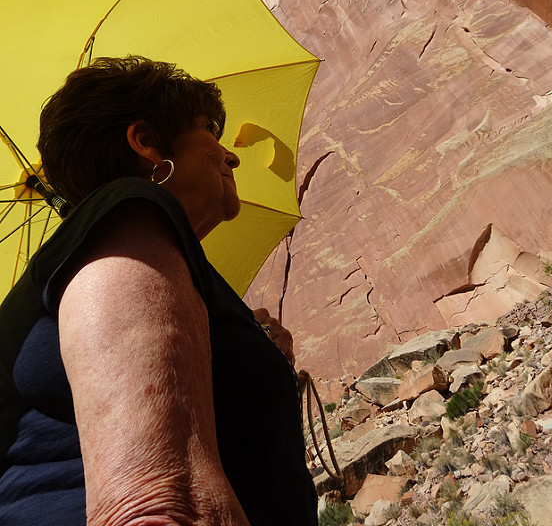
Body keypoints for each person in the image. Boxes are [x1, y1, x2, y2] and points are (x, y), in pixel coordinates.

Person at [0, 56, 318, 526]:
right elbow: (155, 506)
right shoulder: (131, 209)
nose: (230, 154)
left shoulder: (132, 251)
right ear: (147, 142)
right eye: (207, 128)